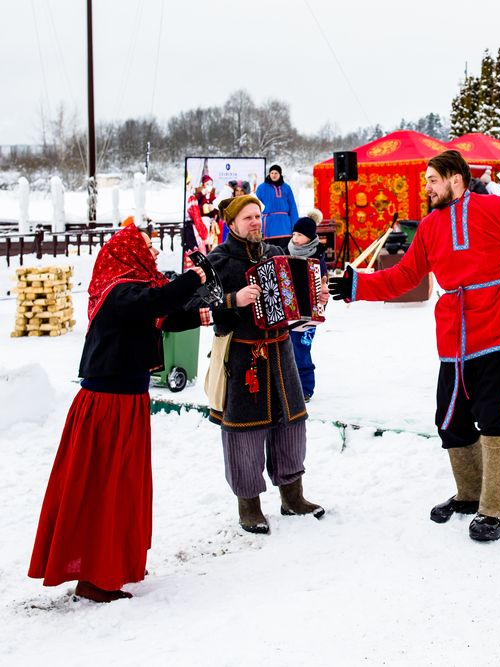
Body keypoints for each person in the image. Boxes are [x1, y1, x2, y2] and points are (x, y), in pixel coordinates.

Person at [327, 150, 500, 542]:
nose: (426, 187)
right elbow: (403, 275)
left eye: (432, 179)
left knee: (490, 414)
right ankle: (468, 495)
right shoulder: (429, 226)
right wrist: (358, 286)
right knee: (451, 418)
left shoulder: (494, 209)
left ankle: (495, 507)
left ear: (455, 179)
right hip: (455, 334)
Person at [29, 224, 207, 603]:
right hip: (108, 407)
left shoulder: (132, 290)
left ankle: (105, 569)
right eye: (148, 246)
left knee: (118, 488)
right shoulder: (118, 292)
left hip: (126, 402)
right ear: (128, 251)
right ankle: (94, 576)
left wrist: (214, 311)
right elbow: (158, 303)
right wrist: (192, 277)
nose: (155, 254)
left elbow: (169, 315)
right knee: (104, 490)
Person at [206, 195, 328, 535]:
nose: (256, 222)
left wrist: (314, 297)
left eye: (258, 216)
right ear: (230, 223)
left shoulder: (276, 254)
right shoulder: (219, 261)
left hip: (280, 353)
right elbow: (198, 303)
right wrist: (234, 299)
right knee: (244, 434)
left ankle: (293, 497)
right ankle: (249, 506)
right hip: (244, 358)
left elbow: (295, 302)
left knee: (291, 425)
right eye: (247, 218)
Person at [287, 215, 328, 402]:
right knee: (287, 348)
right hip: (289, 312)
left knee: (302, 348)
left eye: (300, 235)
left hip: (310, 314)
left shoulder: (318, 257)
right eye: (294, 234)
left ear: (310, 237)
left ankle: (305, 388)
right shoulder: (286, 252)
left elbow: (323, 285)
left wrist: (321, 299)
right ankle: (288, 386)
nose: (295, 238)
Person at [255, 164, 299, 239]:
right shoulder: (261, 188)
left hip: (284, 225)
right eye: (272, 173)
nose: (273, 175)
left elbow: (292, 206)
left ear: (280, 174)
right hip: (269, 225)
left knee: (283, 249)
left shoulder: (286, 188)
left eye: (276, 173)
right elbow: (256, 206)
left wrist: (295, 225)